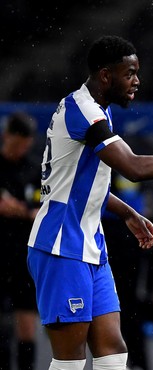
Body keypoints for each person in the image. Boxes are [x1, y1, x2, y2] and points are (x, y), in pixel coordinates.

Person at [26, 35, 153, 370]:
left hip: (91, 243)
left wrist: (127, 212)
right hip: (61, 245)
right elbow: (133, 167)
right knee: (70, 359)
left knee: (113, 350)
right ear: (106, 75)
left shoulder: (95, 108)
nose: (137, 81)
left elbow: (82, 184)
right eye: (129, 73)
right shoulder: (85, 113)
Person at [0, 111, 41, 370]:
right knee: (2, 325)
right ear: (6, 136)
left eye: (26, 143)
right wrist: (25, 210)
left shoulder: (34, 170)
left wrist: (20, 209)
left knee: (27, 324)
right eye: (18, 142)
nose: (22, 148)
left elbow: (39, 211)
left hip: (24, 257)